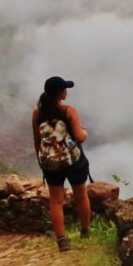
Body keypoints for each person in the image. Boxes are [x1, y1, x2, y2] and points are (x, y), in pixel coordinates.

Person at [32, 75, 92, 250]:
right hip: (73, 160)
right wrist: (85, 132)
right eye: (64, 89)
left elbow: (37, 141)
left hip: (50, 163)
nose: (66, 91)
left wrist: (41, 162)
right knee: (81, 195)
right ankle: (85, 231)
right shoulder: (68, 111)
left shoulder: (37, 113)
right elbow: (80, 137)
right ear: (60, 93)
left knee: (56, 201)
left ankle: (62, 240)